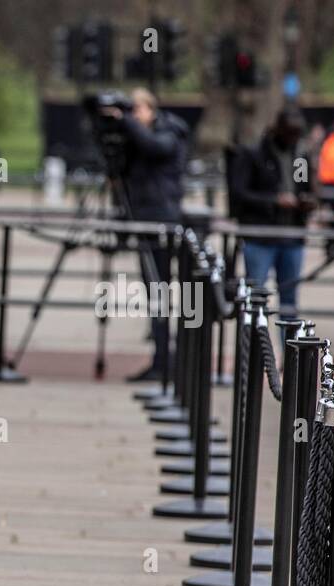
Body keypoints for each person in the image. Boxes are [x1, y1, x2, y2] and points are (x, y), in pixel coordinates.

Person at [105, 88, 188, 383]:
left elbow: (154, 147)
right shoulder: (135, 137)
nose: (133, 116)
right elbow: (120, 168)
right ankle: (161, 359)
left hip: (161, 221)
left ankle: (168, 363)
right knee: (155, 292)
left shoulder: (170, 132)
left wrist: (126, 123)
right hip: (141, 218)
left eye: (137, 109)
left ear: (152, 110)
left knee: (162, 291)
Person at [230, 107, 315, 322]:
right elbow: (240, 192)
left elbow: (302, 185)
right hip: (261, 236)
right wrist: (274, 200)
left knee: (289, 301)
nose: (293, 139)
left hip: (292, 236)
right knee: (256, 297)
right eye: (289, 133)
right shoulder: (255, 154)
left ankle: (290, 353)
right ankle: (254, 351)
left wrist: (306, 201)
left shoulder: (299, 155)